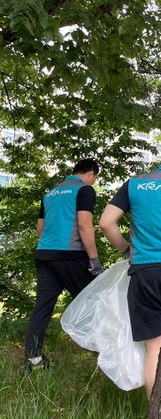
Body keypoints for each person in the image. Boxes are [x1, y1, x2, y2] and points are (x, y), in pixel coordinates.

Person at [99, 147, 161, 398]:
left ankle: (157, 414)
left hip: (145, 271)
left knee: (155, 348)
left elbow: (106, 223)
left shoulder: (135, 184)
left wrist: (126, 249)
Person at [24, 159, 101, 371]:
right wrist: (94, 259)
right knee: (92, 304)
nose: (94, 182)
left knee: (42, 309)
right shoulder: (84, 190)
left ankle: (33, 361)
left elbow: (41, 229)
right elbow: (85, 224)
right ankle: (104, 359)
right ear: (91, 174)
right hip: (71, 256)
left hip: (45, 255)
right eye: (95, 178)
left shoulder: (50, 193)